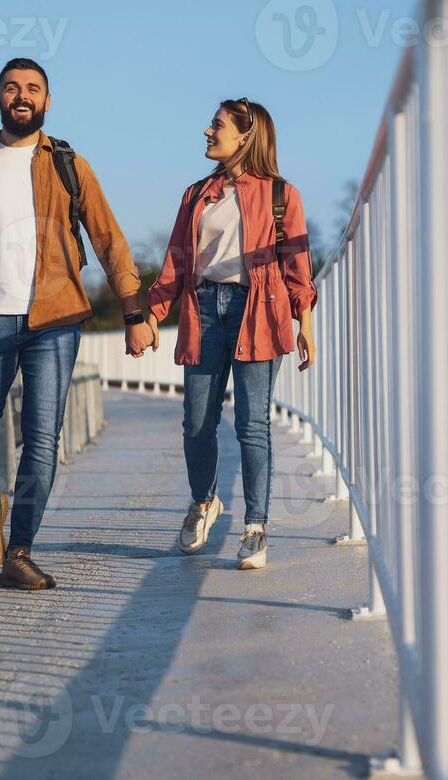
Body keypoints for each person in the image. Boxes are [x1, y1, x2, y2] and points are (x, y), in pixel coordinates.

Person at [0, 58, 155, 590]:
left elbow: (108, 238)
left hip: (56, 316)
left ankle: (20, 551)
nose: (22, 96)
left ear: (47, 100)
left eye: (33, 89)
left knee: (42, 438)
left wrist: (135, 312)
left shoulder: (68, 163)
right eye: (12, 88)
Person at [143, 98, 317, 570]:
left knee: (251, 424)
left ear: (245, 135)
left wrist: (306, 325)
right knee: (197, 422)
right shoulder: (197, 193)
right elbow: (178, 259)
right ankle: (204, 502)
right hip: (203, 309)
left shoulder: (282, 195)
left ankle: (256, 527)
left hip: (258, 310)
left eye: (216, 125)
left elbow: (297, 267)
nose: (207, 131)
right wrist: (151, 315)